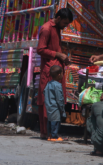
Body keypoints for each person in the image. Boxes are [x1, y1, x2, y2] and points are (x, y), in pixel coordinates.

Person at [37, 8, 73, 140]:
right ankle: (46, 133)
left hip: (55, 69)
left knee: (55, 102)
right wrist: (57, 54)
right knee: (48, 101)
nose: (65, 26)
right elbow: (40, 49)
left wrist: (63, 58)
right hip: (49, 71)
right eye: (65, 23)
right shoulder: (47, 28)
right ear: (58, 18)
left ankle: (52, 133)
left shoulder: (57, 28)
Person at [87, 81, 103, 156]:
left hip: (100, 143)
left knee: (90, 119)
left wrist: (101, 101)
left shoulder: (96, 105)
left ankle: (98, 150)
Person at [44, 65, 67, 141]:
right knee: (56, 121)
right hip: (55, 106)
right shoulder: (58, 85)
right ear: (59, 74)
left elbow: (44, 92)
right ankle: (54, 136)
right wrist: (62, 108)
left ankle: (50, 135)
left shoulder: (48, 84)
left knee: (50, 120)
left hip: (48, 105)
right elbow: (59, 98)